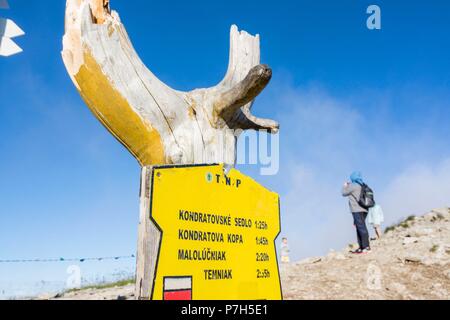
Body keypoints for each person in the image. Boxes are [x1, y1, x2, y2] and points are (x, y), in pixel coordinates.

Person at [342, 171, 371, 254]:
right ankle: (361, 247)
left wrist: (345, 186)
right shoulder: (363, 185)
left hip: (356, 210)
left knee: (361, 228)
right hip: (365, 209)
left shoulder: (353, 186)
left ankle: (366, 247)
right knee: (359, 227)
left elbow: (343, 193)